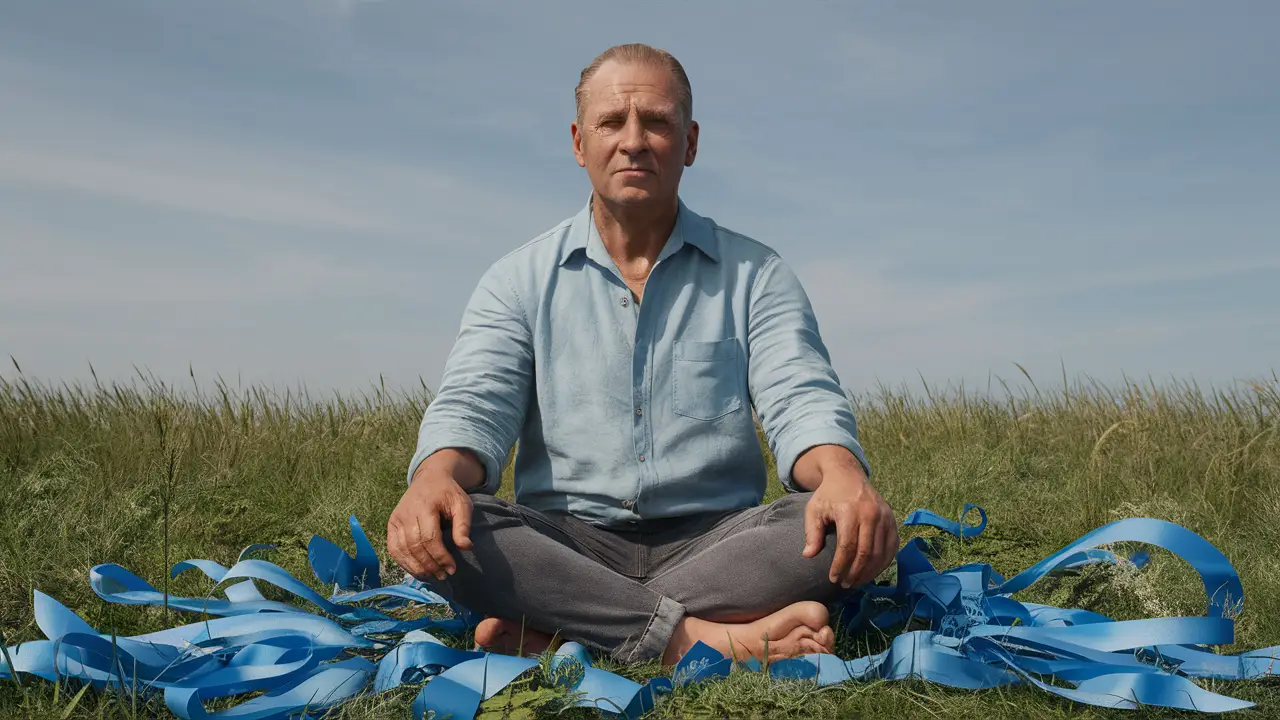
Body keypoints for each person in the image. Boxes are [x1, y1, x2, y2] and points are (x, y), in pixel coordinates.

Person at [387, 43, 898, 667]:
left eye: (657, 121)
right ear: (580, 143)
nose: (634, 140)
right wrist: (435, 477)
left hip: (718, 542)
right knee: (448, 525)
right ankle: (706, 642)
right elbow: (475, 403)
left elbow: (802, 397)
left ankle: (570, 633)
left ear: (689, 143)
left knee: (830, 524)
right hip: (566, 543)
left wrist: (843, 475)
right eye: (611, 122)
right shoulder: (516, 279)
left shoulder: (757, 274)